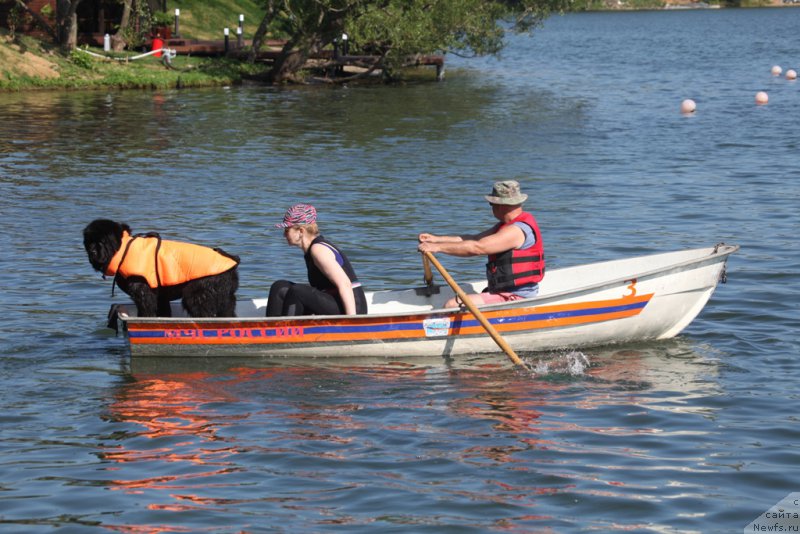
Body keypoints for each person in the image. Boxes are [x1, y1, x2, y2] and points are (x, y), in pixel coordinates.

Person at [417, 180, 544, 308]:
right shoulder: (504, 226)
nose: (491, 208)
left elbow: (478, 247)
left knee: (452, 304)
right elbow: (475, 238)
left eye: (491, 204)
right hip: (502, 291)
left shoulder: (515, 231)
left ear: (500, 205)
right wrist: (436, 239)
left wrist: (437, 248)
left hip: (516, 296)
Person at [266, 203, 368, 317]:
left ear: (301, 231)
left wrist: (352, 320)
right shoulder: (311, 249)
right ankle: (270, 330)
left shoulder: (318, 250)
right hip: (333, 299)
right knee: (279, 287)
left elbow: (345, 284)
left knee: (297, 291)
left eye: (287, 230)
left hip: (353, 307)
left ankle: (288, 332)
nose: (284, 235)